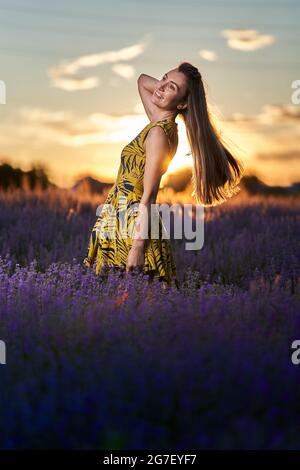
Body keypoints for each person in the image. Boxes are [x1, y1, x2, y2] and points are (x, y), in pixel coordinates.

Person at [83, 61, 244, 290]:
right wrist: (165, 86)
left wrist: (137, 248)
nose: (160, 87)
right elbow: (141, 80)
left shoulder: (158, 133)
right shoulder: (159, 122)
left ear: (182, 104)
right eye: (164, 78)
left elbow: (149, 196)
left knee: (134, 309)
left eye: (172, 88)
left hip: (132, 228)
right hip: (119, 220)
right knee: (121, 308)